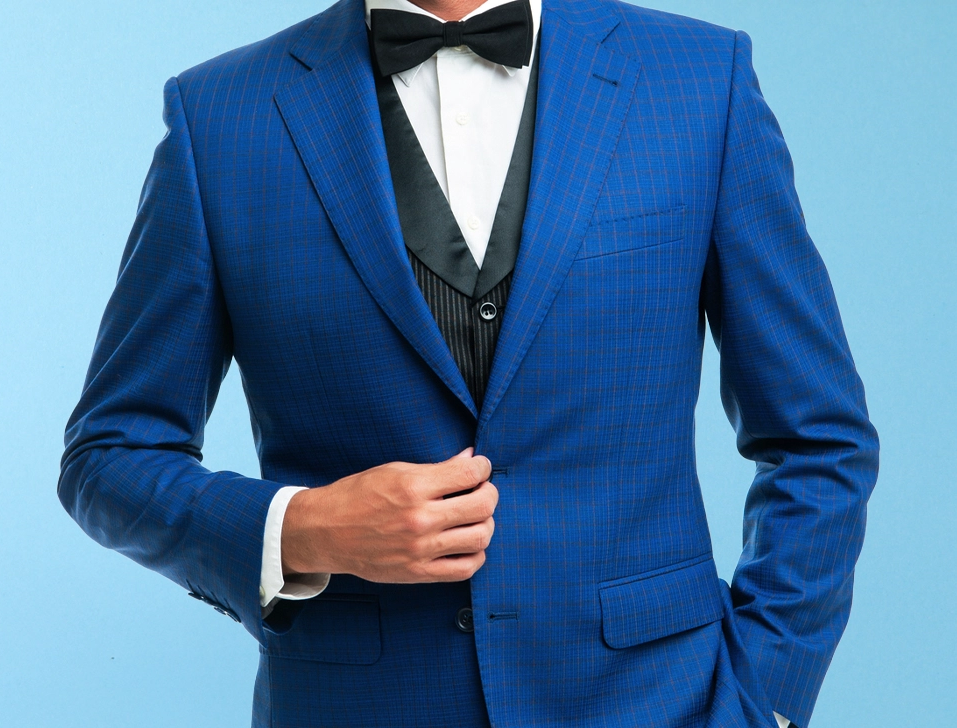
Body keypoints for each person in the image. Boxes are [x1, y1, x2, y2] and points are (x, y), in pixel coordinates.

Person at [58, 0, 877, 725]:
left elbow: (819, 437)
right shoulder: (220, 117)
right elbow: (108, 457)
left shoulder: (701, 80)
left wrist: (764, 696)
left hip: (656, 701)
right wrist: (303, 529)